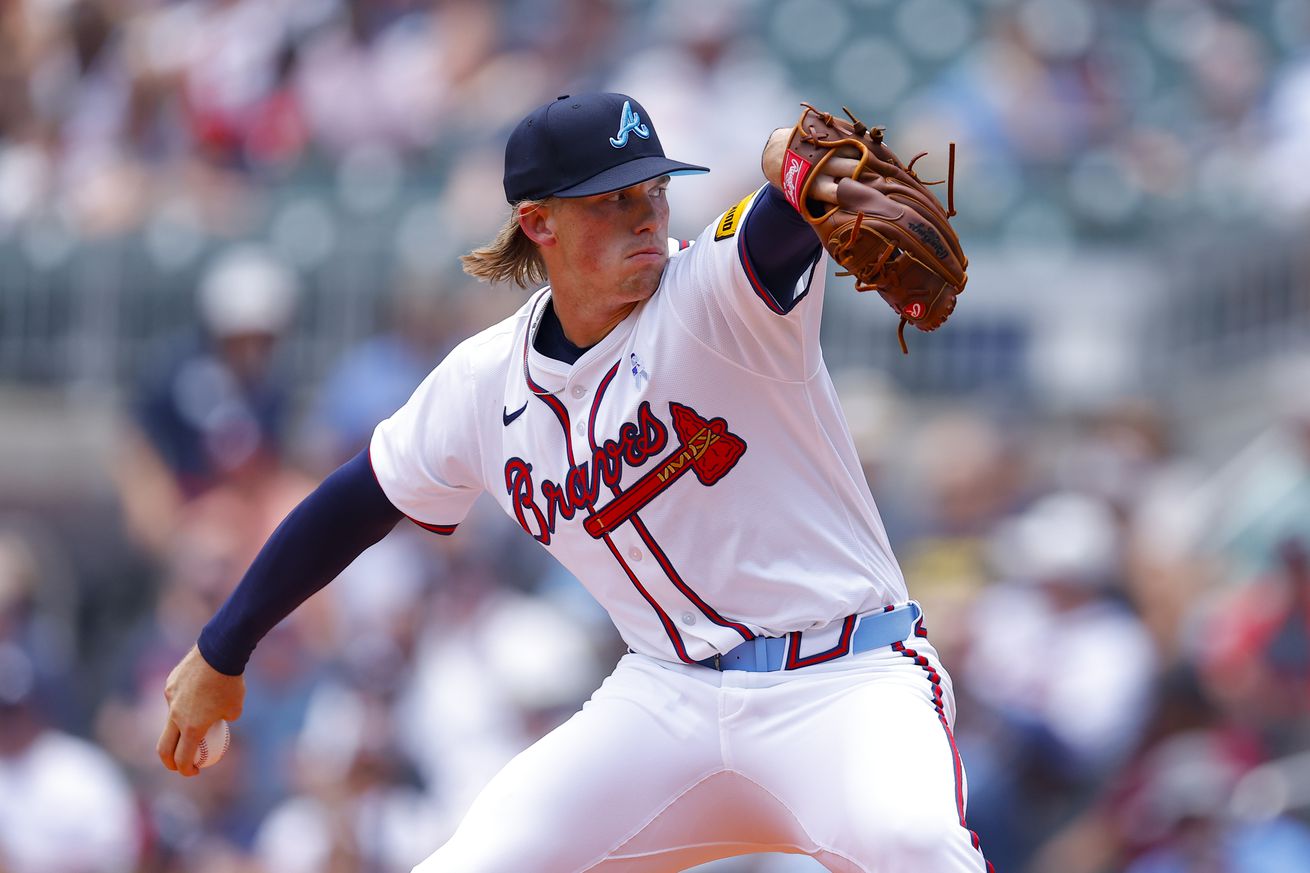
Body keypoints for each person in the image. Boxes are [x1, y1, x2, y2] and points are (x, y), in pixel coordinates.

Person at [158, 92, 992, 872]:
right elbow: (358, 500)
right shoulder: (483, 382)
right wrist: (221, 649)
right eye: (610, 201)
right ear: (537, 222)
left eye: (653, 192)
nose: (644, 217)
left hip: (846, 680)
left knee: (914, 843)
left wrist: (787, 158)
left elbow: (789, 210)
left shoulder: (718, 292)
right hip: (668, 699)